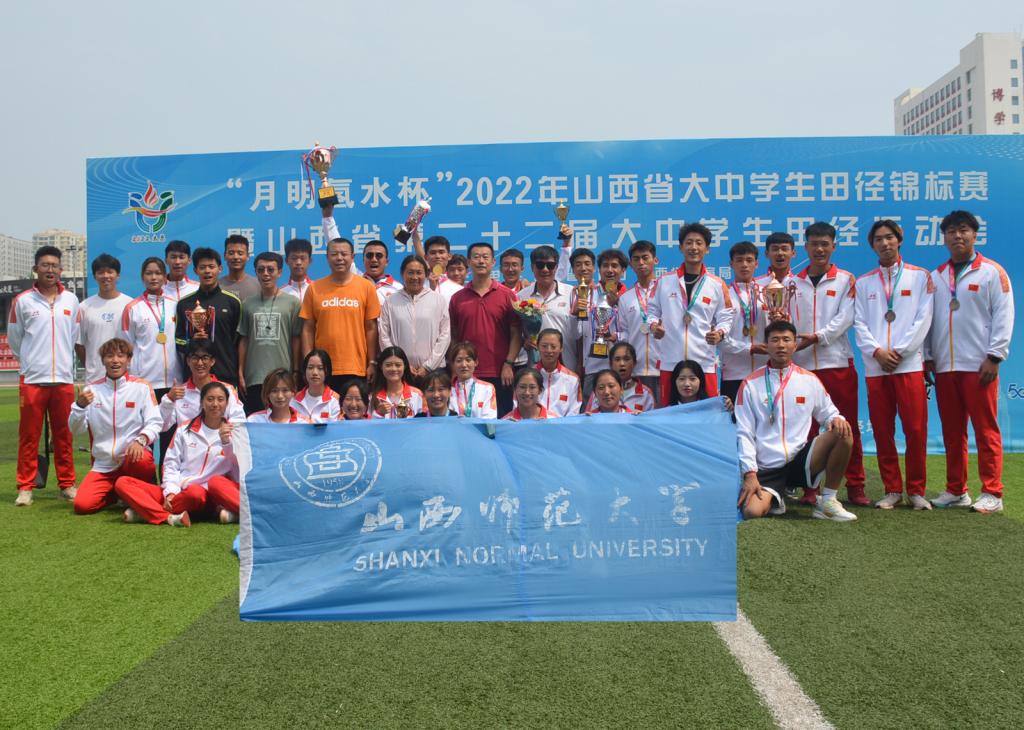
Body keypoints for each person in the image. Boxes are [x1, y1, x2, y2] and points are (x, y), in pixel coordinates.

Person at [927, 210, 1014, 513]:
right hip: (945, 367)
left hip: (979, 366)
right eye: (951, 231)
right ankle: (956, 490)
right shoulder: (937, 276)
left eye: (963, 230)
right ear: (944, 238)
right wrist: (928, 356)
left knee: (985, 430)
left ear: (975, 235)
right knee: (952, 433)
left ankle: (992, 492)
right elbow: (928, 320)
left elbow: (1004, 315)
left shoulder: (992, 272)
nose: (957, 236)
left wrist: (995, 356)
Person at [734, 321, 857, 522]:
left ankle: (828, 501)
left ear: (794, 345)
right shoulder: (750, 384)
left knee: (843, 431)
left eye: (786, 340)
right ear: (766, 345)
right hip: (768, 468)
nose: (781, 345)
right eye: (775, 340)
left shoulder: (809, 380)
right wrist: (750, 473)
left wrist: (837, 418)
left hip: (801, 460)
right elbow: (744, 432)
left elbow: (829, 413)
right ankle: (776, 498)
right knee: (751, 512)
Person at [854, 220, 934, 511]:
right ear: (872, 245)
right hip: (877, 367)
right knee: (882, 430)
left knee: (915, 430)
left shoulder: (920, 277)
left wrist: (900, 352)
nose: (885, 243)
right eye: (878, 239)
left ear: (899, 240)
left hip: (908, 365)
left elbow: (923, 319)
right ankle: (892, 489)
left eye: (889, 237)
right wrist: (877, 352)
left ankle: (916, 490)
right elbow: (859, 323)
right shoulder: (863, 283)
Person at [790, 222, 868, 507]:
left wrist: (818, 337)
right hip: (802, 366)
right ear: (806, 247)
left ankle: (856, 485)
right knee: (806, 430)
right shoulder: (791, 283)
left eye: (825, 244)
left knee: (847, 427)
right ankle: (810, 487)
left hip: (836, 363)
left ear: (834, 246)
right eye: (814, 244)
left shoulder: (846, 280)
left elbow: (846, 318)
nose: (819, 249)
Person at [9, 245, 80, 505]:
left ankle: (67, 484)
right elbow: (16, 340)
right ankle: (25, 487)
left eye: (54, 265)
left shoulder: (71, 300)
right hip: (32, 380)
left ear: (61, 270)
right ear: (35, 269)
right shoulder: (23, 301)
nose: (50, 270)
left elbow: (73, 336)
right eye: (45, 265)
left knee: (64, 435)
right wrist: (31, 363)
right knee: (29, 436)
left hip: (62, 378)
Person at [115, 381, 240, 526]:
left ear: (227, 403)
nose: (215, 404)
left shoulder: (235, 432)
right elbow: (171, 464)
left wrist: (227, 442)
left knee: (196, 493)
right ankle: (167, 517)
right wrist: (171, 492)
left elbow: (238, 465)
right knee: (123, 483)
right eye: (210, 399)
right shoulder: (184, 429)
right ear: (201, 402)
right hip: (177, 490)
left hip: (204, 495)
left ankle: (146, 512)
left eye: (220, 399)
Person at [69, 338, 161, 515]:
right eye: (110, 356)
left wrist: (140, 441)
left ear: (129, 359)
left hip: (131, 459)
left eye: (120, 356)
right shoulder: (92, 390)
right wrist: (79, 407)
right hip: (103, 465)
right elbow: (76, 429)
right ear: (103, 360)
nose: (115, 360)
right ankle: (117, 493)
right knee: (82, 506)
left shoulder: (141, 387)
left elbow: (155, 421)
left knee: (142, 460)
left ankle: (137, 489)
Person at [648, 223, 734, 402]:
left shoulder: (716, 284)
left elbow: (726, 317)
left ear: (707, 249)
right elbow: (652, 311)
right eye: (688, 243)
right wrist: (654, 326)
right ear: (681, 247)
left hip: (704, 361)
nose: (693, 247)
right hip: (670, 361)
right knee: (669, 411)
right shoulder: (664, 281)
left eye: (699, 243)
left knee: (708, 411)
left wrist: (719, 333)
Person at [448, 242, 522, 416]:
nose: (481, 261)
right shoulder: (457, 298)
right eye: (476, 257)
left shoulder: (507, 295)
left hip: (500, 372)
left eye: (485, 257)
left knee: (501, 420)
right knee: (464, 420)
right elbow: (453, 336)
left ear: (493, 262)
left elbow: (516, 333)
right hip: (466, 370)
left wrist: (509, 363)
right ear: (469, 262)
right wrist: (454, 367)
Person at [122, 257, 184, 460]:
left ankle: (166, 478)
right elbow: (126, 347)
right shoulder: (133, 308)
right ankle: (145, 478)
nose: (153, 277)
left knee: (170, 441)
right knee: (145, 438)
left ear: (165, 277)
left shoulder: (175, 306)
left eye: (158, 273)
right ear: (142, 277)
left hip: (173, 383)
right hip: (145, 384)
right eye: (149, 273)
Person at [300, 235, 380, 392]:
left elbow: (371, 328)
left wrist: (372, 362)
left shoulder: (366, 287)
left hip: (356, 366)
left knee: (354, 406)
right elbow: (308, 329)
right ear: (327, 258)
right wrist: (308, 364)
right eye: (334, 254)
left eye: (344, 254)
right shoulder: (314, 288)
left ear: (352, 257)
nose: (339, 258)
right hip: (322, 368)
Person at [238, 251, 301, 413]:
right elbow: (244, 339)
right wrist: (240, 372)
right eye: (261, 270)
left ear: (279, 272)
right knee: (257, 421)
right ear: (256, 272)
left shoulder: (292, 303)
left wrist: (295, 371)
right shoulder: (248, 303)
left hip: (283, 377)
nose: (265, 274)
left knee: (283, 421)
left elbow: (296, 339)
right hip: (254, 377)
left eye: (270, 270)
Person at [175, 247, 242, 387]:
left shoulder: (232, 302)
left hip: (225, 373)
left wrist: (239, 371)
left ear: (220, 269)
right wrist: (191, 341)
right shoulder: (184, 304)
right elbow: (178, 341)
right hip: (194, 376)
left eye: (211, 267)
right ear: (195, 271)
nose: (207, 271)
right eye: (202, 267)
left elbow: (238, 341)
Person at [378, 255, 451, 382]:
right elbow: (384, 336)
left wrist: (428, 366)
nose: (415, 277)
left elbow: (445, 335)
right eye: (410, 273)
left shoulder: (438, 300)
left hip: (434, 372)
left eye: (419, 272)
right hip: (400, 373)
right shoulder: (390, 302)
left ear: (426, 274)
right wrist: (401, 364)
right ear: (402, 274)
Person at [159, 340, 246, 434]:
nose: (200, 363)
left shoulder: (227, 389)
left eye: (205, 358)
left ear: (212, 361)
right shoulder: (178, 393)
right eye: (195, 358)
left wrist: (225, 435)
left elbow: (239, 420)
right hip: (188, 442)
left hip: (220, 441)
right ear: (188, 361)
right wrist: (169, 399)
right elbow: (162, 426)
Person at [719, 241, 768, 405]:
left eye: (749, 260)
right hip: (733, 373)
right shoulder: (723, 295)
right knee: (734, 418)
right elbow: (720, 339)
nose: (744, 265)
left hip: (764, 371)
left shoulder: (768, 293)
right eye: (739, 260)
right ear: (731, 264)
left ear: (757, 263)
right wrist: (749, 348)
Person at [518, 245, 577, 373]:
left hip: (567, 362)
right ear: (532, 267)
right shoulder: (522, 296)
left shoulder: (571, 293)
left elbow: (580, 332)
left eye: (550, 265)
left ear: (556, 267)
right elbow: (517, 331)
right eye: (540, 265)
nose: (545, 270)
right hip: (535, 366)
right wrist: (524, 341)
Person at [577, 249, 628, 397]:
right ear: (599, 270)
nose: (610, 270)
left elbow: (634, 332)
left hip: (622, 368)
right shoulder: (586, 294)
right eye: (605, 266)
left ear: (623, 270)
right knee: (591, 409)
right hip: (593, 366)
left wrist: (615, 336)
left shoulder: (629, 297)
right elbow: (579, 331)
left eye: (615, 266)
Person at [76, 254, 133, 384]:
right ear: (95, 276)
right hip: (95, 379)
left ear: (117, 275)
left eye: (110, 272)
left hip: (126, 379)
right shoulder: (84, 307)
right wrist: (92, 366)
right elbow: (79, 345)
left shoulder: (130, 305)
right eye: (101, 272)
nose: (106, 276)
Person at [616, 240, 661, 402]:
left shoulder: (667, 292)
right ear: (631, 264)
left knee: (664, 413)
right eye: (636, 259)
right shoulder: (625, 298)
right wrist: (614, 337)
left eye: (645, 257)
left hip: (665, 367)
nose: (641, 262)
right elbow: (625, 334)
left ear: (655, 260)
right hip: (636, 369)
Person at [583, 342, 655, 414]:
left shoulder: (646, 393)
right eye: (617, 359)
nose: (622, 364)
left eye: (626, 359)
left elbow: (651, 419)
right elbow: (590, 417)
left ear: (634, 363)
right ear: (610, 364)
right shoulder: (599, 392)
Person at [533, 328, 582, 417]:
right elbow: (518, 406)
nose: (549, 350)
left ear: (561, 348)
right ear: (537, 346)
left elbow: (574, 412)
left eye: (553, 346)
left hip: (562, 425)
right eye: (544, 346)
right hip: (532, 424)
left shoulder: (573, 379)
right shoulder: (527, 376)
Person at [371, 346, 425, 418]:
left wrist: (407, 416)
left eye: (398, 365)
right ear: (381, 367)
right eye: (388, 365)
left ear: (405, 366)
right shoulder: (373, 397)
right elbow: (367, 423)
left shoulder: (417, 394)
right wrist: (379, 413)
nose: (393, 369)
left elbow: (425, 421)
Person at [448, 341, 498, 418]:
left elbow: (490, 419)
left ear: (476, 362)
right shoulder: (447, 390)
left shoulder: (487, 388)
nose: (464, 365)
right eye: (459, 360)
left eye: (468, 360)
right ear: (453, 364)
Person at [291, 349, 341, 422]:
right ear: (304, 371)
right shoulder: (294, 399)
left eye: (320, 368)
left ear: (327, 371)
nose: (315, 372)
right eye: (310, 367)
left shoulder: (336, 400)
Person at [668, 359, 733, 411]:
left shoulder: (713, 409)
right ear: (674, 382)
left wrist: (730, 409)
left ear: (701, 381)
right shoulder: (667, 412)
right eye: (682, 379)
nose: (687, 384)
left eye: (692, 379)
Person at [218, 234, 261, 301]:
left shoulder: (258, 285)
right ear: (225, 256)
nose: (236, 257)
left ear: (247, 256)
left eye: (240, 253)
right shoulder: (217, 286)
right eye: (231, 253)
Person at [360, 239, 403, 304]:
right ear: (363, 260)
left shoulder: (398, 288)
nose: (374, 259)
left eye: (379, 256)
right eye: (369, 255)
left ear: (386, 262)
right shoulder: (355, 285)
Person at [163, 240, 199, 304]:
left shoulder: (198, 288)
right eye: (173, 257)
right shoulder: (158, 290)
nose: (177, 262)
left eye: (181, 257)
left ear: (189, 260)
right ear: (166, 260)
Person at [280, 237, 314, 304]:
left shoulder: (318, 289)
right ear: (286, 261)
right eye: (294, 258)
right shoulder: (280, 293)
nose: (298, 262)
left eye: (302, 258)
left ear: (310, 261)